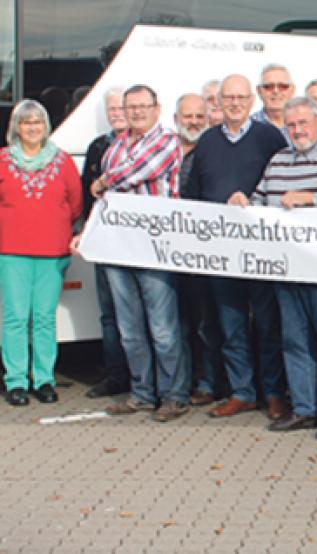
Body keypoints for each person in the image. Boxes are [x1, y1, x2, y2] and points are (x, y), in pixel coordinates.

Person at [239, 96, 317, 440]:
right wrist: (244, 202)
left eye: (303, 123)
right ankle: (305, 409)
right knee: (294, 341)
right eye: (291, 125)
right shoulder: (278, 160)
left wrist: (311, 198)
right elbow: (261, 199)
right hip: (286, 267)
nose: (297, 130)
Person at [184, 74, 290, 420]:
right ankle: (242, 391)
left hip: (261, 249)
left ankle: (273, 392)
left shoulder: (269, 137)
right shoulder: (208, 141)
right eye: (228, 97)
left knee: (267, 322)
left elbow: (282, 181)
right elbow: (194, 194)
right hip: (221, 251)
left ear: (251, 99)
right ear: (219, 102)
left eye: (241, 97)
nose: (234, 103)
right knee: (230, 325)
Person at [93, 84, 190, 422]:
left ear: (156, 108)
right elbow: (114, 186)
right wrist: (107, 182)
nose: (135, 112)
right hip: (118, 247)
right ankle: (142, 394)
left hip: (154, 248)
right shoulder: (117, 144)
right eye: (129, 107)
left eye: (142, 106)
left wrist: (105, 179)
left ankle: (174, 397)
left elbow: (137, 172)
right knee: (129, 328)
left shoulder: (167, 140)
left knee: (163, 328)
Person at [0, 99, 82, 406]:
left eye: (37, 122)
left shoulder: (62, 161)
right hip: (11, 251)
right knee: (15, 318)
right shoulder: (3, 160)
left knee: (45, 319)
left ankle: (44, 379)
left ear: (45, 126)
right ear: (16, 128)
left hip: (51, 252)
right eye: (25, 122)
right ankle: (16, 381)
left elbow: (75, 204)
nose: (32, 127)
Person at [173, 93, 224, 407]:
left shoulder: (211, 151)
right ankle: (186, 379)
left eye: (198, 117)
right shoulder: (166, 151)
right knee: (179, 322)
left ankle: (209, 382)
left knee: (207, 323)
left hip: (204, 252)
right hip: (168, 251)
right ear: (176, 119)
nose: (193, 122)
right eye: (187, 116)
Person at [81, 87, 131, 399]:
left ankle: (143, 381)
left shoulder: (147, 145)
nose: (117, 113)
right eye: (111, 109)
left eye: (121, 108)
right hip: (106, 241)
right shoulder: (98, 146)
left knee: (141, 317)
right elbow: (87, 192)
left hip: (137, 245)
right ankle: (115, 377)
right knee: (109, 314)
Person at [251, 63, 295, 139]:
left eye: (283, 86)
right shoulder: (247, 127)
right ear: (259, 90)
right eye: (269, 86)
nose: (275, 91)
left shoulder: (306, 127)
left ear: (292, 90)